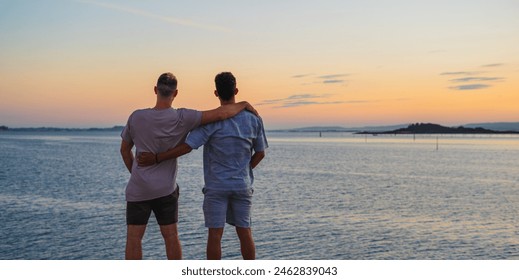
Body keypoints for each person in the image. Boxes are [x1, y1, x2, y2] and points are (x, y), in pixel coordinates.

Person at [120, 72, 257, 260]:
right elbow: (222, 113)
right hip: (166, 190)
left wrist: (136, 173)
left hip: (139, 188)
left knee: (134, 239)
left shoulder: (136, 117)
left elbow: (125, 150)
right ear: (175, 93)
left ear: (155, 90)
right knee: (171, 237)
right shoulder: (183, 117)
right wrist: (244, 104)